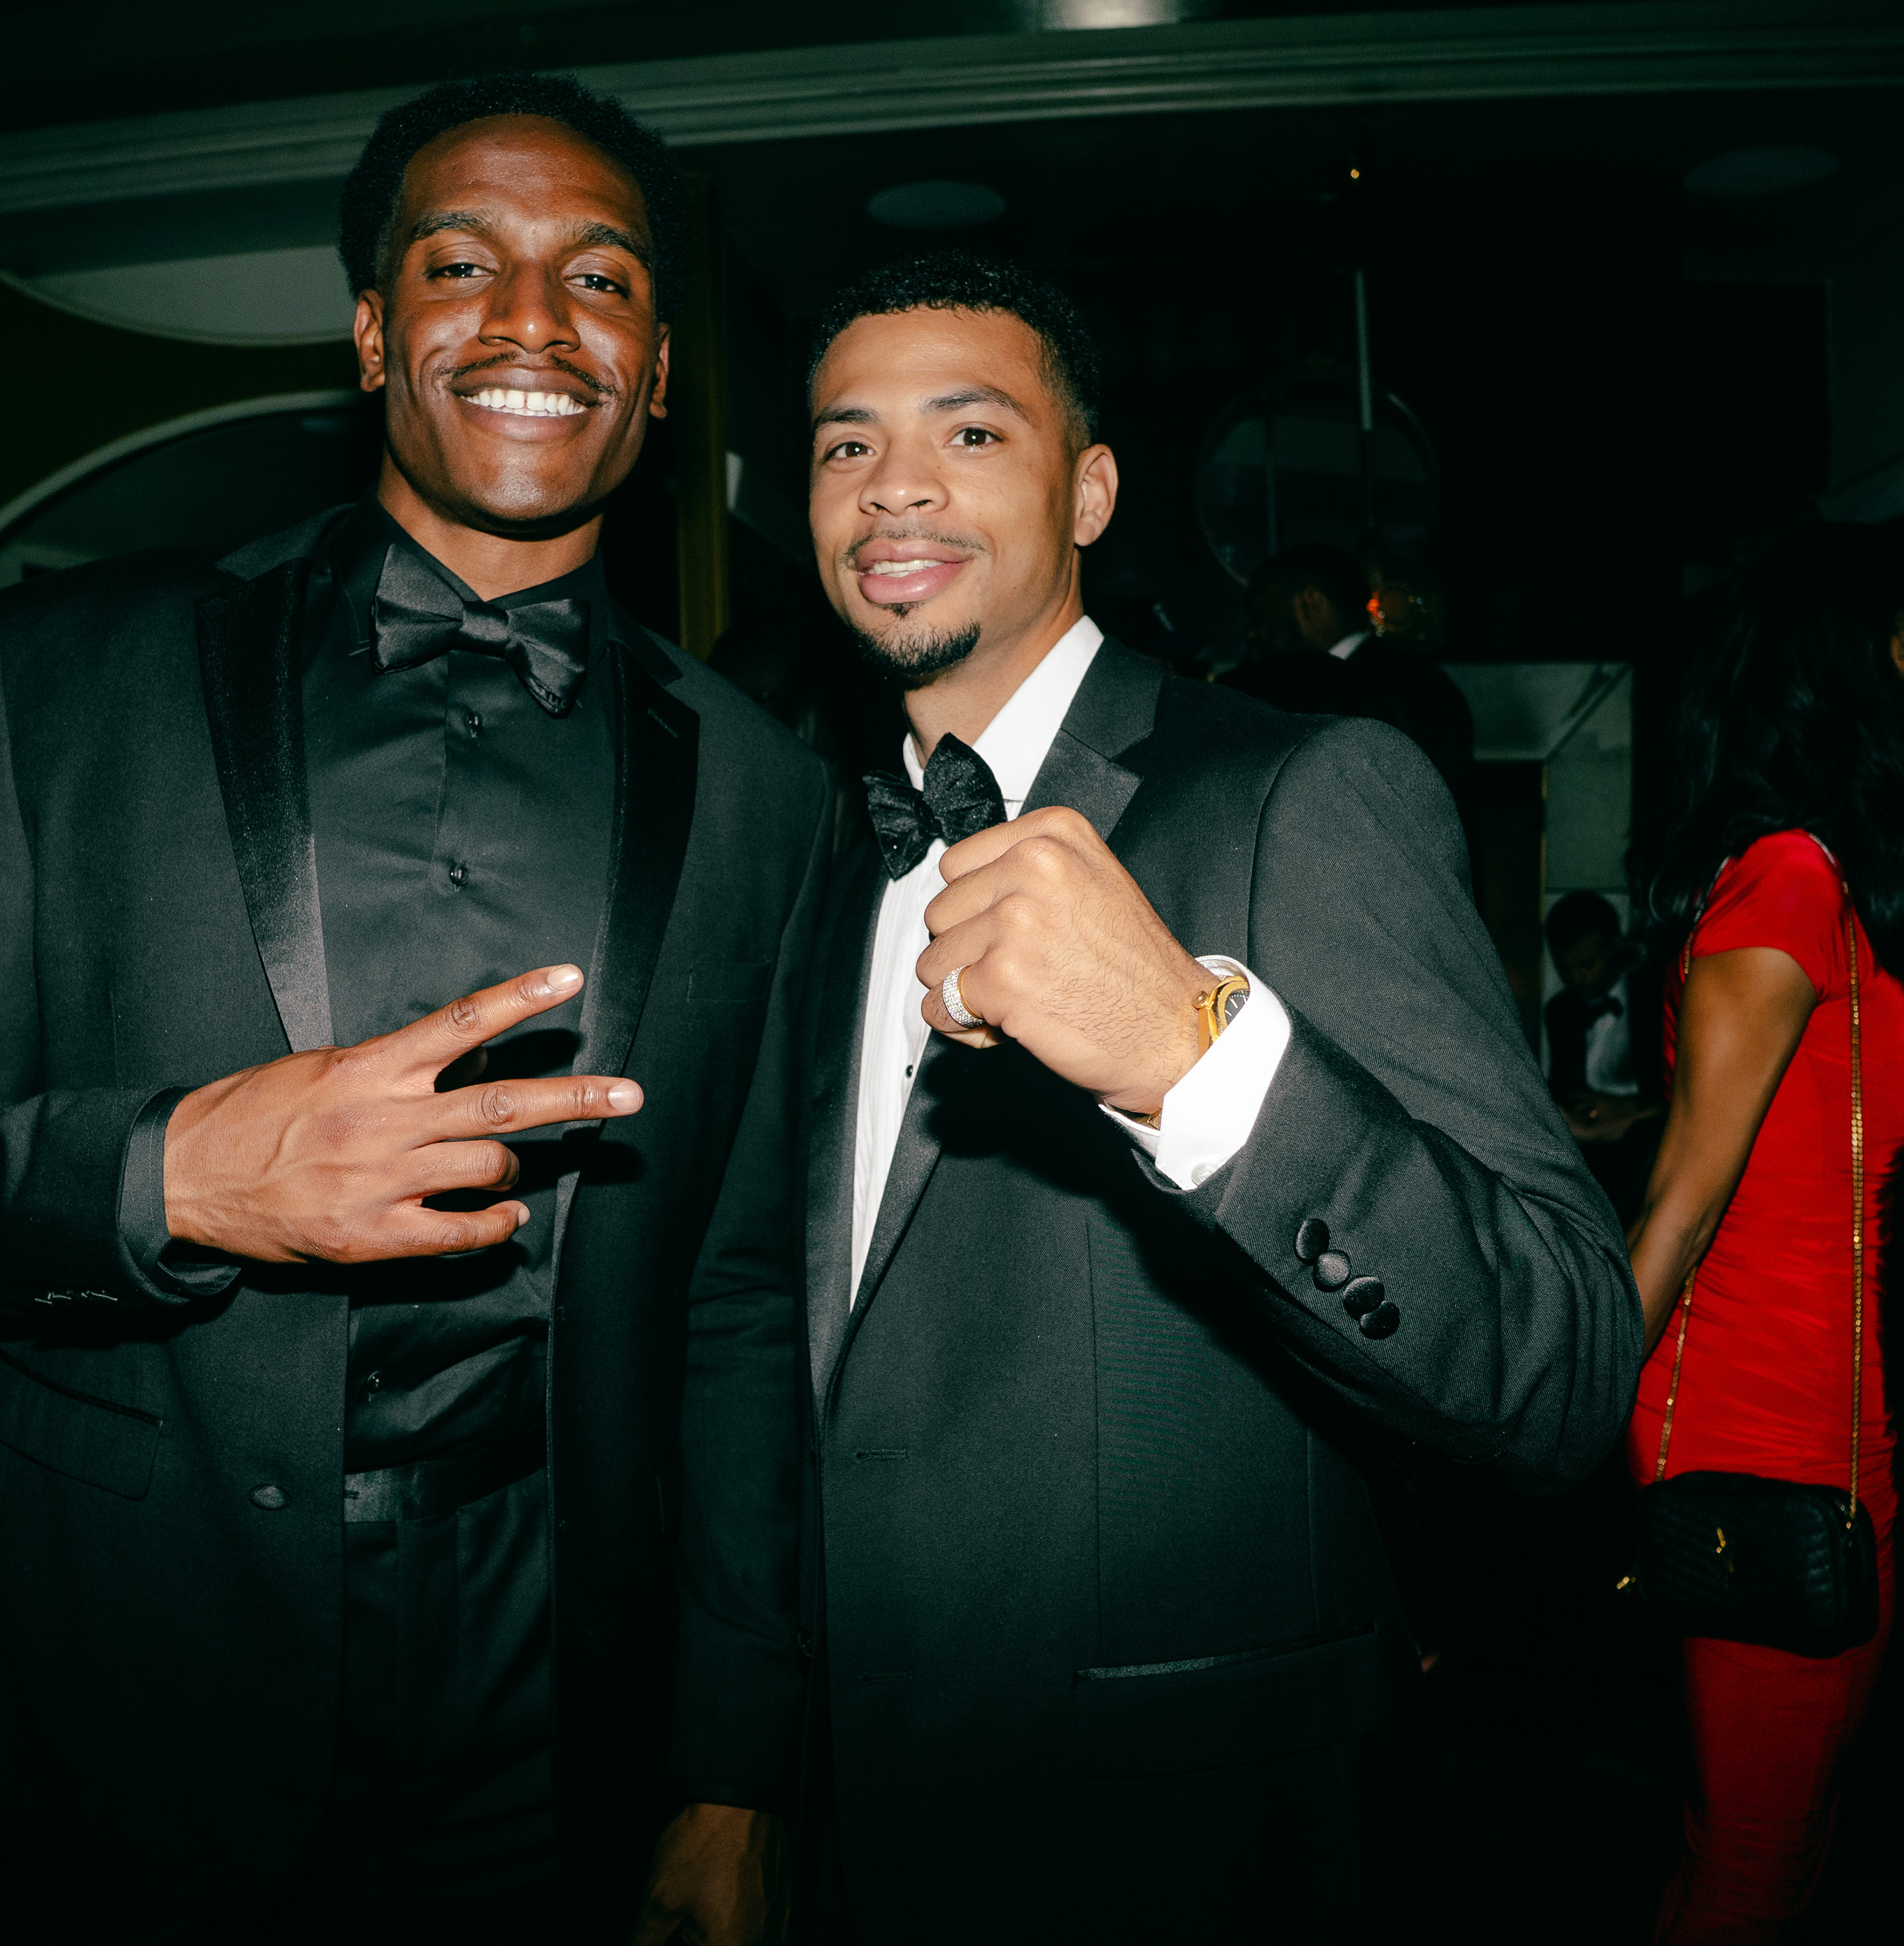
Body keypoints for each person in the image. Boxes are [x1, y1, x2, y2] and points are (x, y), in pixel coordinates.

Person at [0, 75, 826, 1946]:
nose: (533, 321)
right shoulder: (61, 671)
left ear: (660, 371)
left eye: (599, 279)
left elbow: (740, 1299)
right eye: (461, 264)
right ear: (371, 333)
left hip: (549, 1701)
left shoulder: (769, 788)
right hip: (127, 1666)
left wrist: (730, 1761)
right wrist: (180, 1175)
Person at [793, 251, 1641, 1940]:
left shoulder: (1300, 789)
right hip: (847, 1809)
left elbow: (1559, 1367)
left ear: (1091, 491)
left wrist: (1197, 1055)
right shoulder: (808, 856)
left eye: (970, 433)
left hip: (1186, 1822)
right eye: (845, 444)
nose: (893, 485)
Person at [1623, 520, 1903, 1943]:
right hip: (1764, 1429)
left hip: (1840, 1416)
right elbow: (1683, 1196)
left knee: (1782, 1842)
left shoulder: (1835, 880)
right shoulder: (1788, 874)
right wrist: (1554, 1416)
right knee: (1754, 1857)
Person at [1234, 540, 1479, 843]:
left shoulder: (1327, 692)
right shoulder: (1426, 680)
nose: (1252, 631)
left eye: (1262, 609)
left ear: (1310, 600)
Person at [1544, 889, 1663, 1220]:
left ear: (1615, 944)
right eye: (1564, 968)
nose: (1576, 978)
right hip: (1589, 1153)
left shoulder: (1653, 995)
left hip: (1647, 1142)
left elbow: (1681, 1089)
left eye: (1587, 965)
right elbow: (1564, 1086)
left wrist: (1626, 1107)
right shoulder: (1560, 1011)